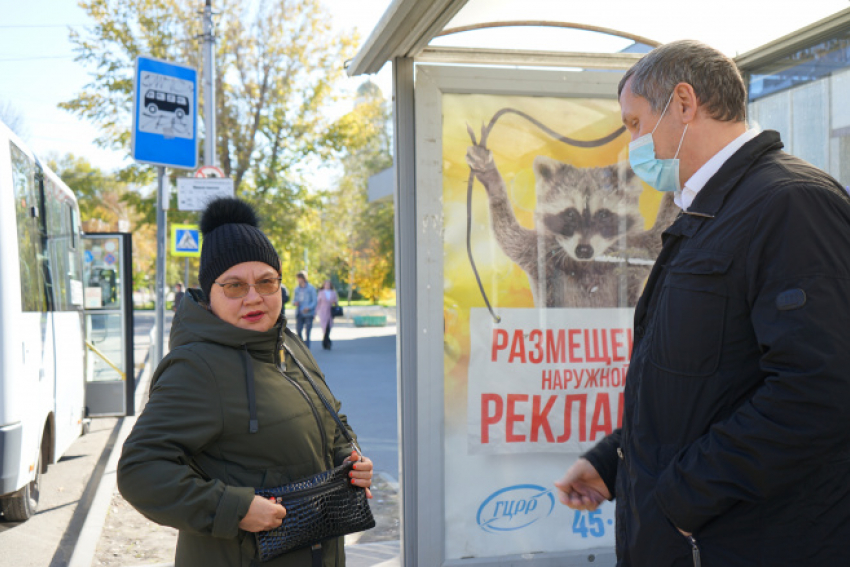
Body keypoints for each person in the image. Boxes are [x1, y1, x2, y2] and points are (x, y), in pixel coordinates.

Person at [554, 40, 850, 566]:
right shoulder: (712, 209)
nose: (632, 143)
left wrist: (681, 499)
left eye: (634, 123)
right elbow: (701, 379)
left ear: (685, 104)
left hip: (748, 540)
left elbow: (819, 390)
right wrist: (615, 462)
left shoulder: (792, 203)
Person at [117, 197, 373, 567]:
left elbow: (331, 421)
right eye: (235, 286)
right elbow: (140, 471)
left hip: (319, 549)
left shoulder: (289, 344)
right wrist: (234, 509)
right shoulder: (197, 367)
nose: (254, 298)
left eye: (266, 282)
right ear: (210, 294)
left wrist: (349, 457)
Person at [292, 270, 317, 349]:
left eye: (300, 278)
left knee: (307, 332)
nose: (299, 280)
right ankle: (302, 347)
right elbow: (293, 300)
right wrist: (294, 303)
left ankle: (307, 349)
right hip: (299, 313)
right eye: (298, 278)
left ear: (304, 278)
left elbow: (314, 301)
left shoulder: (311, 288)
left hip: (308, 313)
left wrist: (309, 307)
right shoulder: (297, 289)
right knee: (298, 330)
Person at [316, 279, 339, 350]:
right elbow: (318, 303)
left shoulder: (333, 292)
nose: (327, 286)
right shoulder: (321, 292)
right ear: (324, 285)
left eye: (328, 284)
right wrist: (315, 313)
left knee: (329, 327)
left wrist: (334, 302)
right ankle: (327, 342)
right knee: (324, 327)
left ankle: (326, 342)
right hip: (323, 312)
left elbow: (336, 303)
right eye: (326, 284)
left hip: (330, 311)